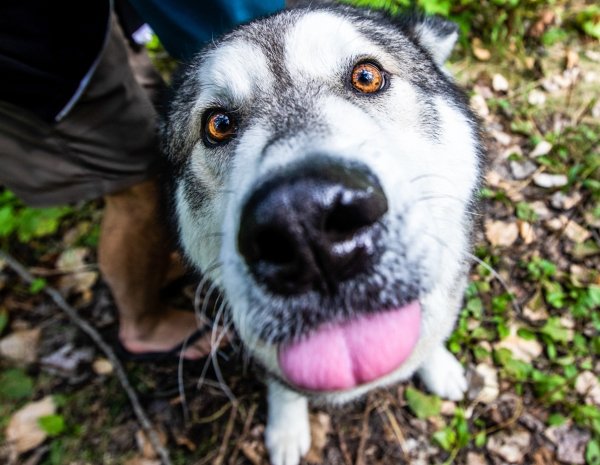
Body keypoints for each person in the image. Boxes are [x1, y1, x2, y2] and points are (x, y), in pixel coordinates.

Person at [0, 0, 283, 360]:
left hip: (83, 28)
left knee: (156, 131)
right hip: (32, 50)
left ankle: (160, 265)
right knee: (139, 184)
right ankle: (142, 325)